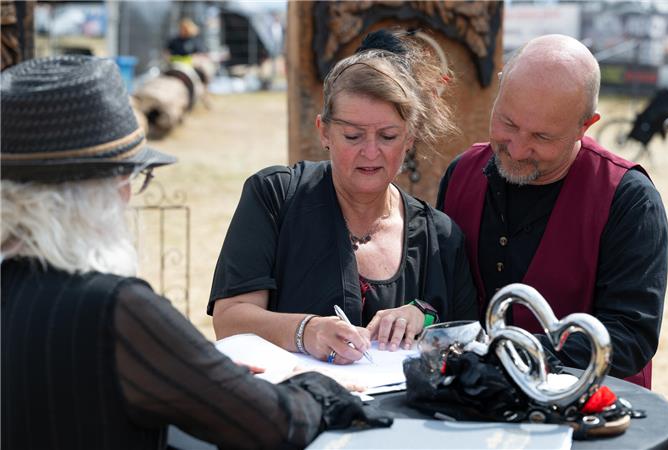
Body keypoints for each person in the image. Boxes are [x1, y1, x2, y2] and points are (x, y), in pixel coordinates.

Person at [1, 55, 389, 450]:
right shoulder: (114, 309)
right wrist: (316, 387)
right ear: (99, 190)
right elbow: (272, 423)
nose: (129, 194)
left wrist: (210, 377)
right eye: (133, 177)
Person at [209, 29, 478, 365]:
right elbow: (230, 320)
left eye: (387, 136)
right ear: (324, 131)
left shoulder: (440, 236)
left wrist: (422, 316)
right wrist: (306, 331)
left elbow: (469, 337)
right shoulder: (276, 196)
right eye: (352, 135)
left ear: (409, 137)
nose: (370, 152)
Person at [437, 34, 668, 389]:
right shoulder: (460, 174)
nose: (516, 148)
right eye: (508, 124)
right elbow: (441, 296)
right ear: (499, 91)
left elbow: (630, 336)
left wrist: (511, 355)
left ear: (585, 125)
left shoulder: (628, 199)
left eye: (542, 137)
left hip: (583, 416)